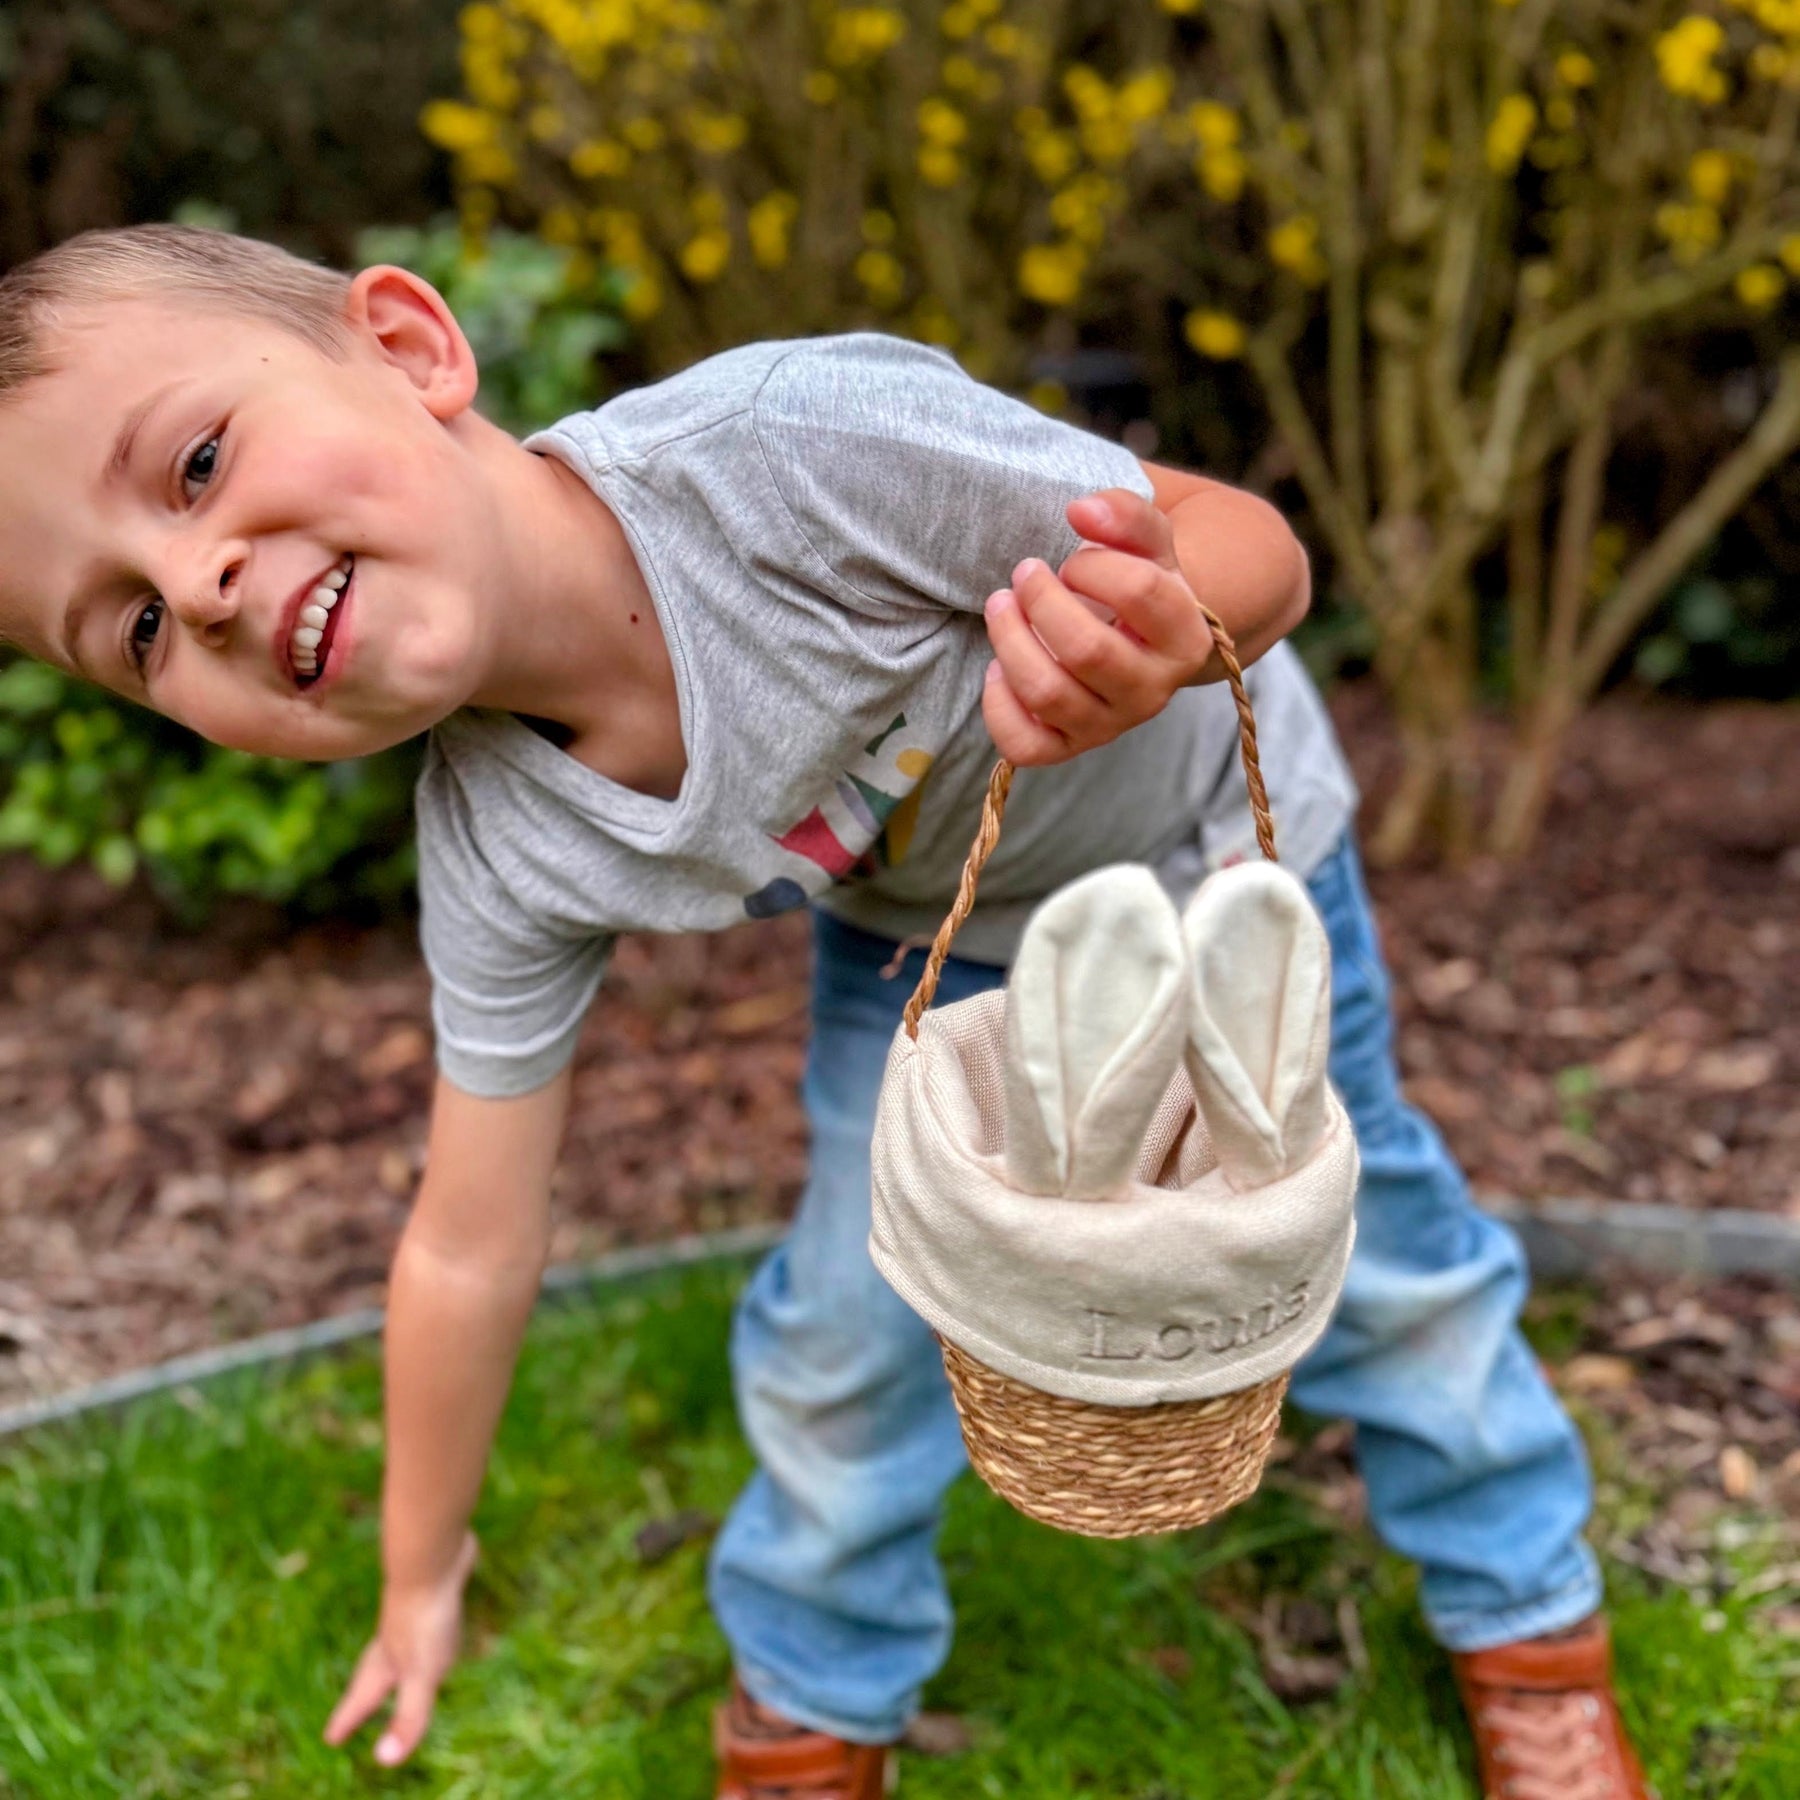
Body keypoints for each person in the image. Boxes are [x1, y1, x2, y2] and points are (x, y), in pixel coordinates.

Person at [0, 224, 1648, 1800]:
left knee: (1370, 1252)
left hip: (1215, 860)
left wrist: (1155, 637)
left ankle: (1530, 1628)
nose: (197, 585)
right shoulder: (506, 845)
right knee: (853, 1333)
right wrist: (417, 1569)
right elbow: (468, 1237)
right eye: (131, 628)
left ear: (410, 345)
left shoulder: (790, 453)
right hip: (937, 951)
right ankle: (813, 1693)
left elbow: (1250, 543)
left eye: (195, 464)